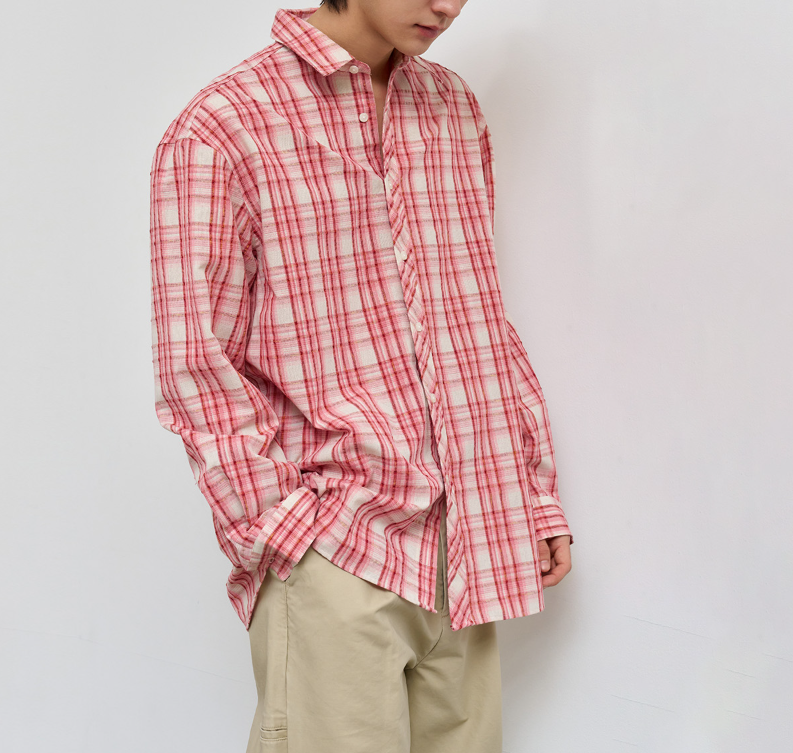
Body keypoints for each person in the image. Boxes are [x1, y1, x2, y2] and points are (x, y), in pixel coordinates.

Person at [148, 2, 574, 751]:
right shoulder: (224, 126)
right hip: (336, 550)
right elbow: (195, 362)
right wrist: (285, 533)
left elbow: (478, 317)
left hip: (471, 542)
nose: (447, 5)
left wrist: (530, 494)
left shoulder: (451, 108)